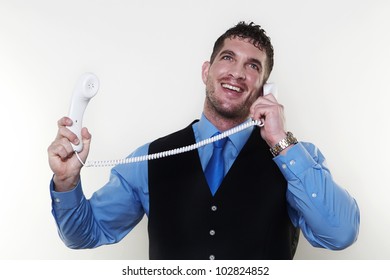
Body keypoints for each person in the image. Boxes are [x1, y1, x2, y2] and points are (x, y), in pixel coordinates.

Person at [48, 21, 360, 260]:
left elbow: (340, 234)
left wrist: (280, 141)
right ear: (207, 71)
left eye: (253, 66)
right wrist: (66, 183)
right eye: (228, 58)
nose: (238, 73)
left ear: (266, 88)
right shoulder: (150, 158)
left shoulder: (295, 158)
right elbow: (84, 234)